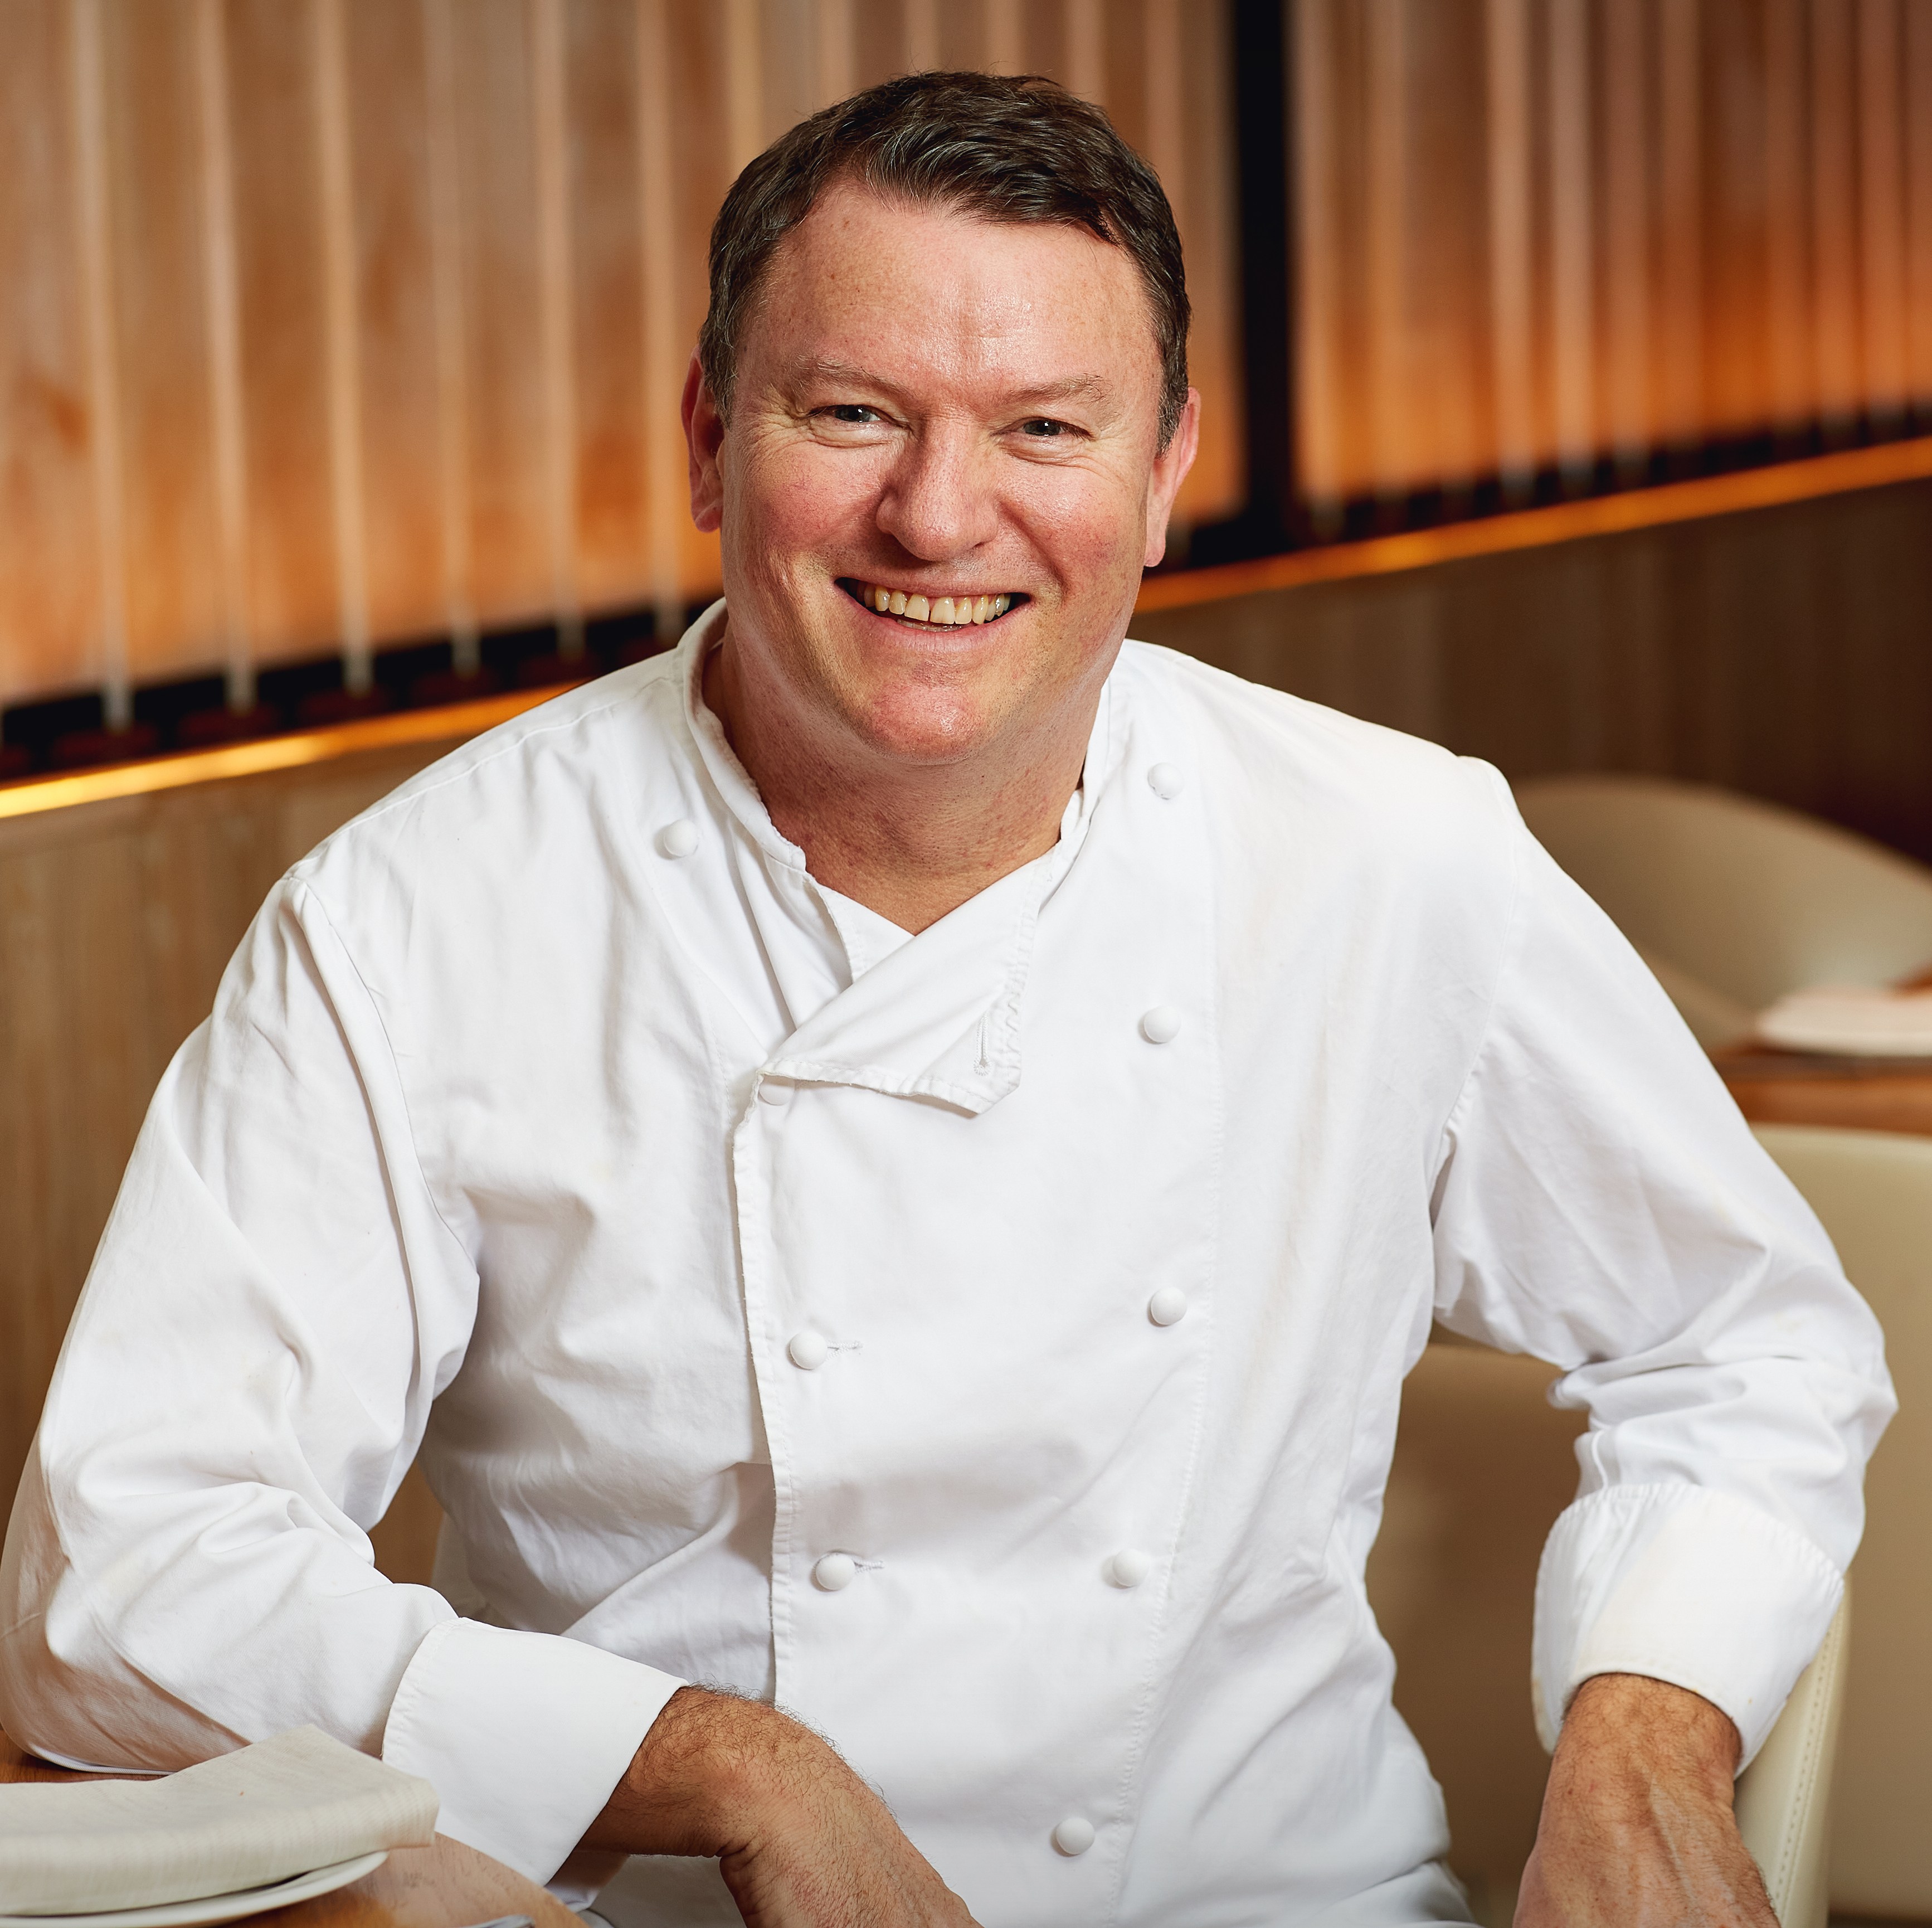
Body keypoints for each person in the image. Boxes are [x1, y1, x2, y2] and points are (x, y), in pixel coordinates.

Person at [0, 72, 1892, 1928]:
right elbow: (123, 1571)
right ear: (704, 437)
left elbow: (1745, 1343)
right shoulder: (422, 913)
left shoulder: (1388, 852)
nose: (938, 515)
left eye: (1045, 431)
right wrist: (728, 1762)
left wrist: (1640, 1734)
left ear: (1161, 480)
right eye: (852, 410)